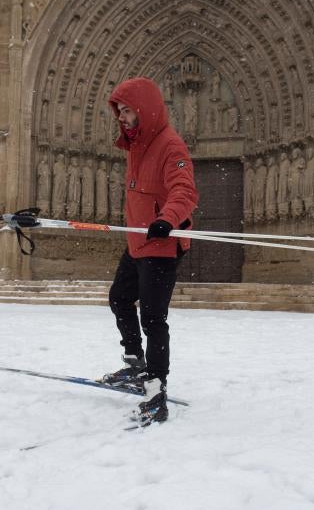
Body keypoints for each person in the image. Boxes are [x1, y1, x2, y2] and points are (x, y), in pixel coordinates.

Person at [99, 77, 199, 425]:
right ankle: (134, 364)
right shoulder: (136, 147)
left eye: (127, 110)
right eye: (120, 112)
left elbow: (184, 191)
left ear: (144, 109)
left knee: (153, 319)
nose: (122, 118)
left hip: (162, 245)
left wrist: (166, 218)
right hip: (138, 243)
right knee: (119, 299)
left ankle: (156, 391)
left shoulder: (170, 146)